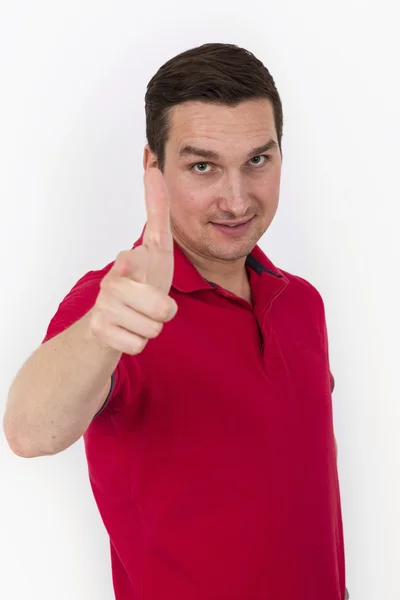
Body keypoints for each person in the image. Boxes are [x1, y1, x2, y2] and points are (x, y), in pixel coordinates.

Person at [3, 43, 349, 600]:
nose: (236, 200)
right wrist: (98, 332)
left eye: (257, 160)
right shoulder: (119, 306)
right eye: (203, 166)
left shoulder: (302, 303)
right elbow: (27, 430)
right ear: (154, 167)